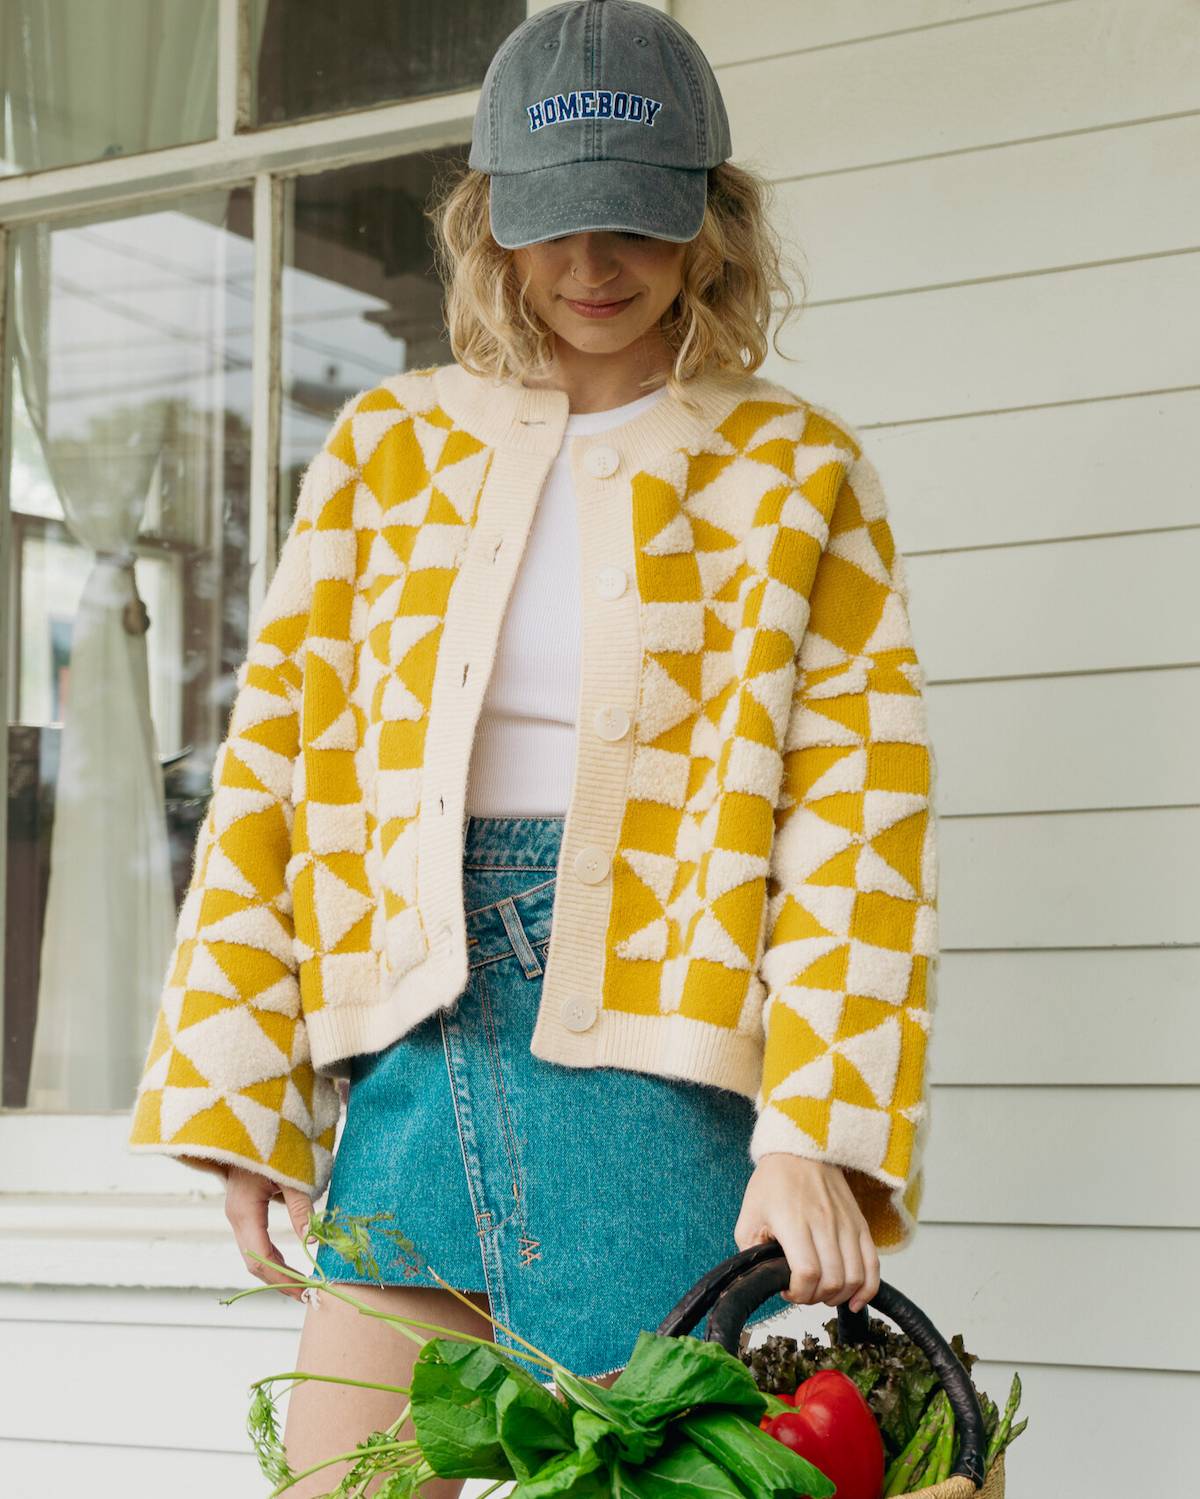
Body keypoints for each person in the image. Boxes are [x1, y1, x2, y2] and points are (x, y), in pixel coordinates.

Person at [127, 3, 940, 1494]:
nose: (591, 268)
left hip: (667, 1063)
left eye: (634, 222)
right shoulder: (387, 451)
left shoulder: (798, 473)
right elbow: (278, 772)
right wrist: (244, 1093)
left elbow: (858, 824)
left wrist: (813, 1127)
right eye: (553, 223)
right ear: (487, 216)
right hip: (415, 1047)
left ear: (710, 221)